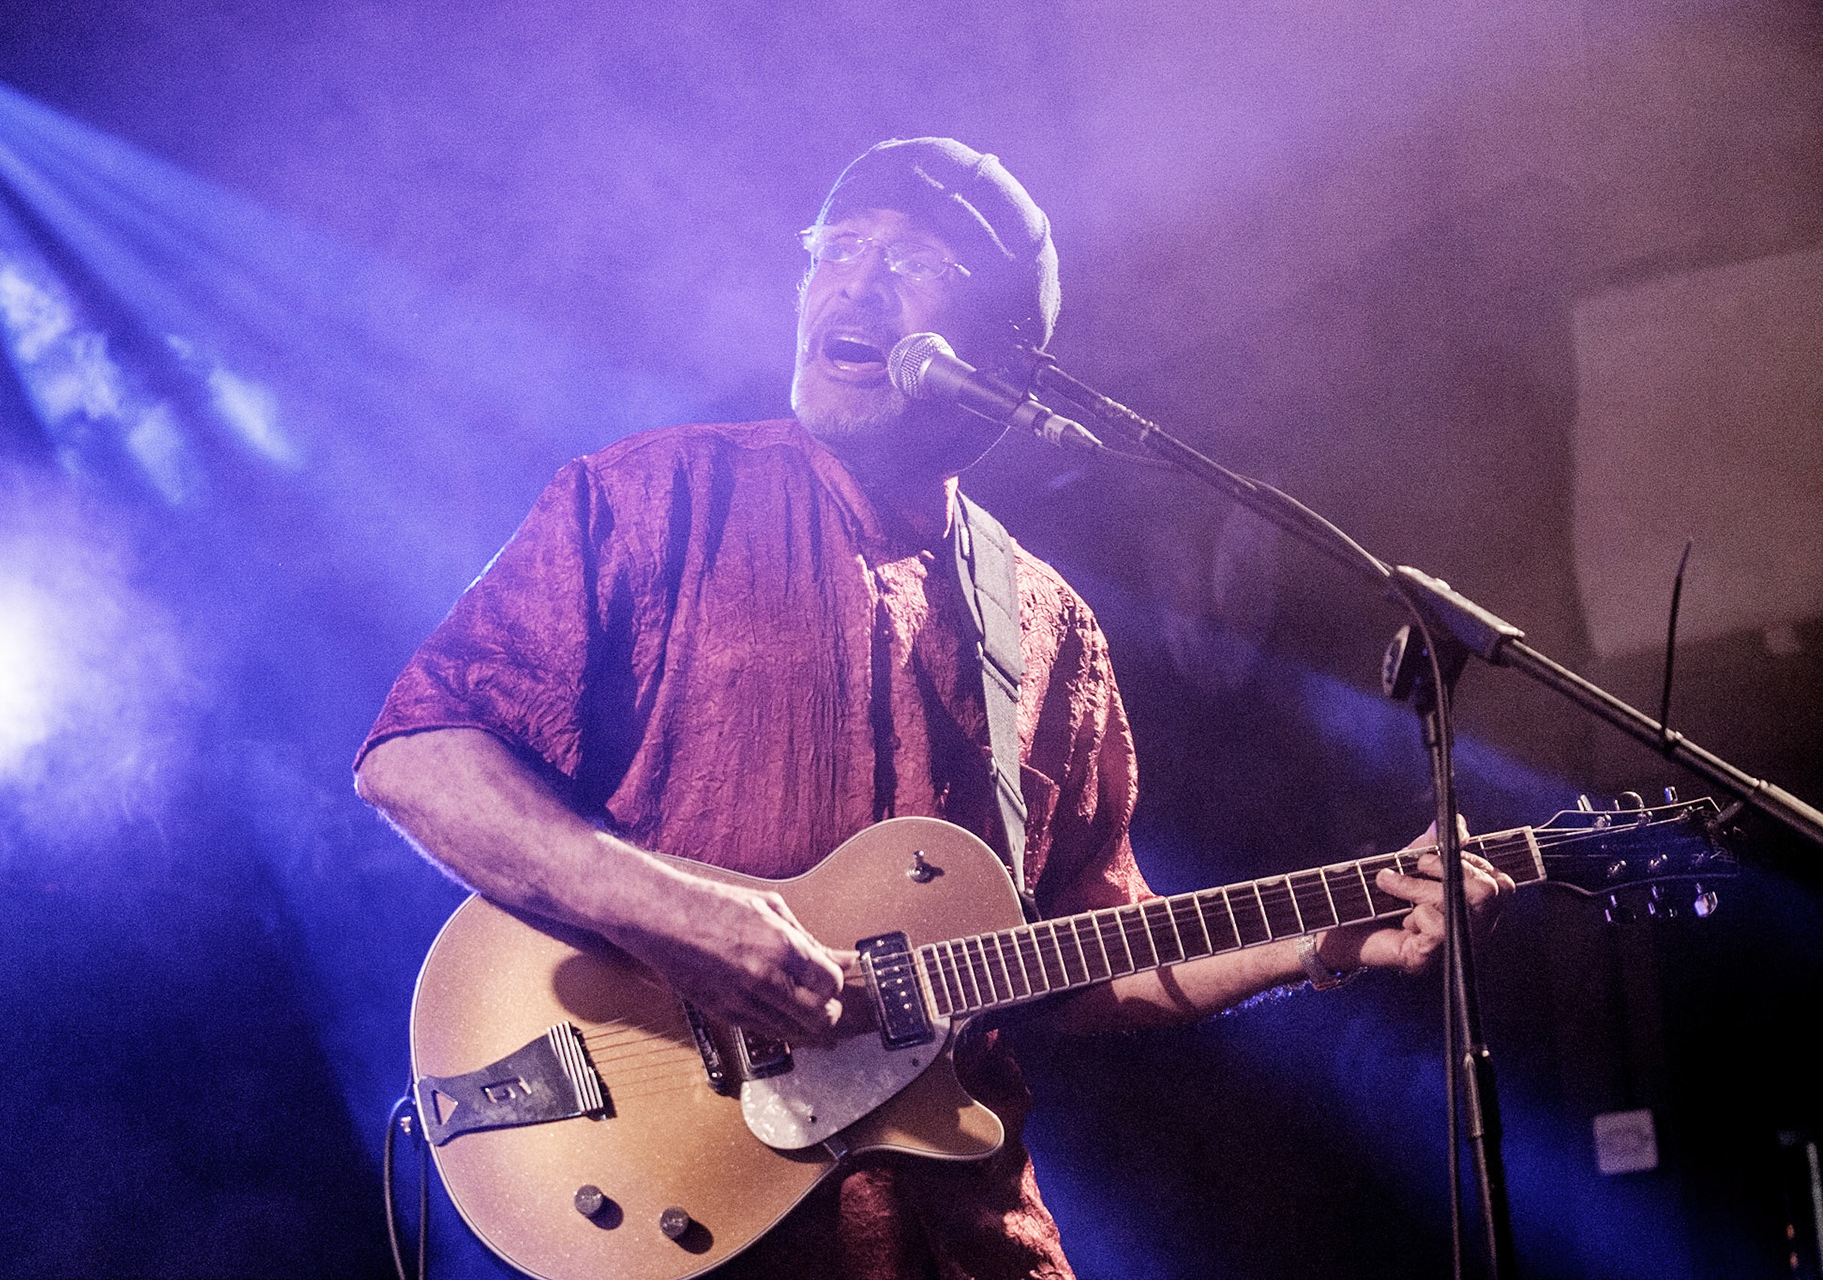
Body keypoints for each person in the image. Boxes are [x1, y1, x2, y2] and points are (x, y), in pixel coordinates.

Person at [354, 137, 1513, 1280]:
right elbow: (416, 758)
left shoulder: (1048, 629)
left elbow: (1080, 956)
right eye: (836, 247)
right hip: (695, 1216)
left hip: (961, 1238)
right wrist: (679, 919)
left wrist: (1321, 936)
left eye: (913, 262)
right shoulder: (653, 498)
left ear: (1002, 357)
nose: (850, 283)